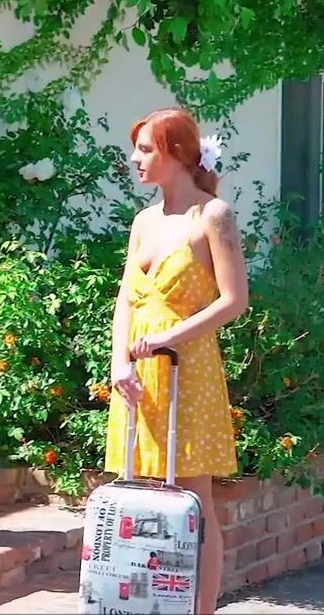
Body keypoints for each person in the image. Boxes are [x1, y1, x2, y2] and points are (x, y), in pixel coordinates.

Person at [102, 107, 248, 614]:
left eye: (146, 149)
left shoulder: (213, 216)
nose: (134, 158)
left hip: (188, 369)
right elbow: (126, 299)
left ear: (179, 153)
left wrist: (167, 337)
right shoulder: (144, 220)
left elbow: (234, 301)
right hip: (139, 374)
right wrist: (119, 362)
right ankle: (149, 603)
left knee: (193, 502)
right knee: (143, 495)